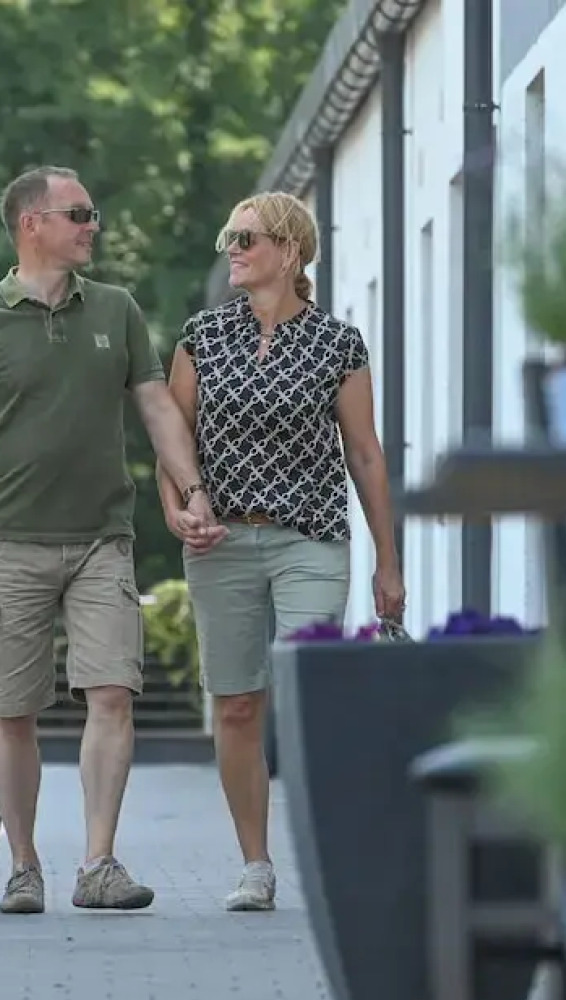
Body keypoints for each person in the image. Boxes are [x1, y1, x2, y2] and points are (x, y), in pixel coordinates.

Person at [0, 165, 221, 915]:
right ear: (33, 224)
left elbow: (157, 409)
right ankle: (23, 866)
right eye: (80, 213)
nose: (94, 225)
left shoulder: (116, 311)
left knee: (113, 691)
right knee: (12, 711)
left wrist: (191, 490)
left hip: (102, 539)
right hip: (9, 542)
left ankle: (99, 863)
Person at [157, 191, 405, 912]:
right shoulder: (202, 337)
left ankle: (332, 857)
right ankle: (256, 866)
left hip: (312, 538)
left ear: (290, 250)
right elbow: (173, 446)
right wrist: (176, 511)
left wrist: (389, 562)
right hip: (221, 541)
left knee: (311, 695)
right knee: (236, 704)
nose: (232, 249)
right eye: (228, 238)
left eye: (247, 238)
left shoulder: (338, 344)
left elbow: (365, 454)